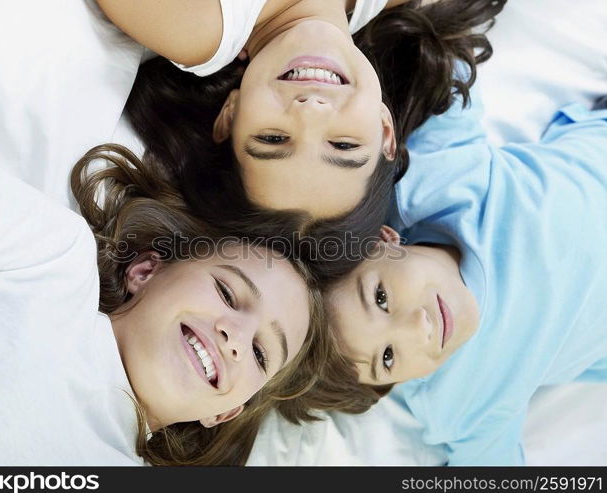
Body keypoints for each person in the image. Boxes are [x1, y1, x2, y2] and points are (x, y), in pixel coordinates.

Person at [0, 130, 328, 466]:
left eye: (259, 353)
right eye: (227, 292)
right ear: (145, 270)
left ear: (226, 412)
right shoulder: (52, 258)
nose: (234, 337)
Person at [99, 0, 506, 282]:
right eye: (343, 145)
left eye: (274, 138)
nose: (311, 110)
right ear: (385, 128)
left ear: (231, 115)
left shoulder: (195, 26)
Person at [319, 92, 607, 465]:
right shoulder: (461, 399)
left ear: (383, 240)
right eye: (388, 358)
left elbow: (444, 77)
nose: (418, 329)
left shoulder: (435, 184)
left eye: (381, 299)